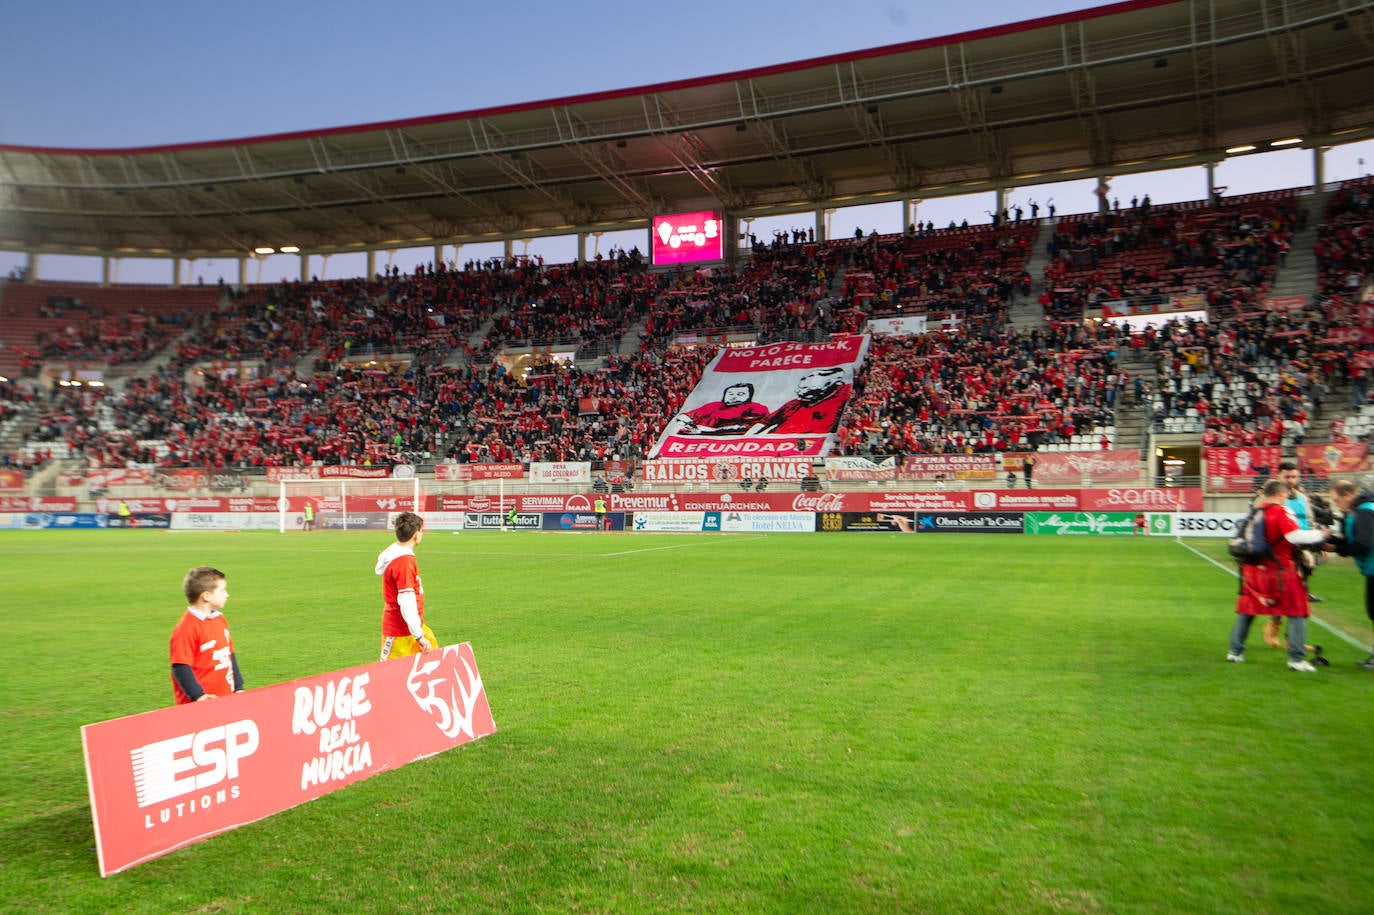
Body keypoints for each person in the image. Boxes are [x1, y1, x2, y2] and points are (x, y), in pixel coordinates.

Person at [1226, 479, 1327, 671]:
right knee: (1297, 611)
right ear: (1281, 494)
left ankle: (1235, 651)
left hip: (1253, 570)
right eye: (1286, 495)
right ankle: (1296, 659)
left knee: (1247, 610)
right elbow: (1294, 536)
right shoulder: (1281, 511)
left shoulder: (1256, 511)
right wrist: (1321, 535)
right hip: (1280, 571)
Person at [1265, 461, 1322, 646]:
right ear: (1278, 477)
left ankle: (1293, 639)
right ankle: (1273, 628)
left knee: (1300, 595)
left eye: (1294, 476)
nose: (1291, 480)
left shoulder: (1303, 498)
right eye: (1287, 477)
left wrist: (1315, 545)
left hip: (1301, 553)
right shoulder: (1270, 498)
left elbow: (1309, 521)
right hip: (1279, 555)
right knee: (1279, 594)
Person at [169, 566, 243, 705]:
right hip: (200, 705)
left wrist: (238, 687)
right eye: (222, 590)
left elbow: (229, 654)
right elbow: (180, 666)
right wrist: (199, 696)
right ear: (206, 596)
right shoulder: (187, 628)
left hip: (225, 698)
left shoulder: (220, 620)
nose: (227, 594)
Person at [375, 511, 437, 661]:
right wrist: (419, 635)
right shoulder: (403, 562)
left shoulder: (398, 555)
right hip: (399, 632)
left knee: (432, 662)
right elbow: (407, 600)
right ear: (416, 535)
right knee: (392, 678)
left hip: (415, 627)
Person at [1328, 479, 1374, 668]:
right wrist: (1332, 542)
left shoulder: (1364, 511)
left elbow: (1364, 543)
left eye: (1337, 500)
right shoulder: (1363, 509)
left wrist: (1337, 548)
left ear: (1347, 494)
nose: (1336, 504)